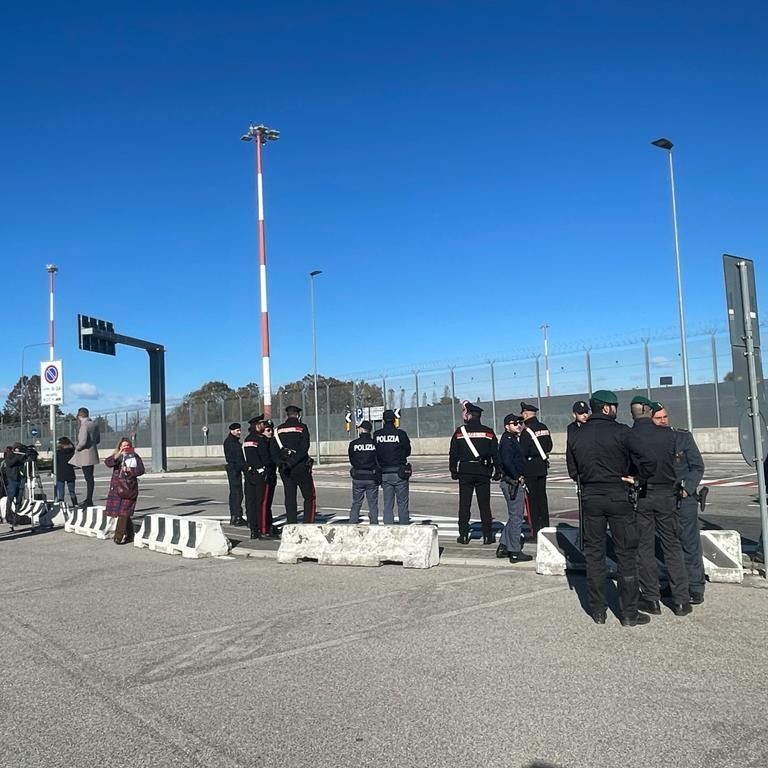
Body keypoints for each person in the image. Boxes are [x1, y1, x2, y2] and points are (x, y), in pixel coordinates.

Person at [566, 390, 656, 626]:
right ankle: (629, 613)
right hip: (618, 495)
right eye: (614, 405)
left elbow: (573, 470)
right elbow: (649, 461)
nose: (616, 409)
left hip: (590, 497)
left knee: (594, 555)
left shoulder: (576, 434)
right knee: (626, 554)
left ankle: (598, 610)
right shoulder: (622, 431)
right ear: (606, 408)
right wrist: (637, 478)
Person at [631, 399, 692, 616]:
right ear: (649, 413)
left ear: (633, 414)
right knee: (672, 546)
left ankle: (651, 599)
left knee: (644, 548)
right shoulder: (669, 435)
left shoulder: (630, 436)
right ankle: (681, 600)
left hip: (643, 493)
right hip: (667, 494)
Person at [653, 402, 707, 605]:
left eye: (665, 417)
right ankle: (674, 583)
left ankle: (695, 586)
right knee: (668, 545)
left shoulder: (682, 437)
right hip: (662, 499)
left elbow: (697, 466)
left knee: (689, 544)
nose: (663, 421)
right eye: (658, 418)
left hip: (683, 499)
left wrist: (687, 489)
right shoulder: (649, 441)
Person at [449, 401, 498, 545]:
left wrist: (453, 469)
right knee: (485, 505)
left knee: (464, 505)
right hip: (483, 471)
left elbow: (453, 453)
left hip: (465, 471)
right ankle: (488, 536)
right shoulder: (488, 432)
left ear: (469, 415)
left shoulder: (460, 432)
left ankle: (463, 535)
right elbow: (495, 453)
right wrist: (498, 470)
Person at [271, 405, 316, 525]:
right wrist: (293, 461)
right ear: (298, 415)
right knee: (309, 496)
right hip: (300, 466)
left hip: (285, 468)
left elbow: (273, 450)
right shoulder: (302, 427)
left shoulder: (278, 430)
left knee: (290, 497)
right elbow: (304, 447)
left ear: (287, 415)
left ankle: (291, 523)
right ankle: (308, 523)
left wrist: (280, 463)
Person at [496, 414, 532, 562]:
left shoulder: (511, 439)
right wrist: (517, 476)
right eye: (515, 423)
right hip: (512, 482)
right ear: (507, 426)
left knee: (514, 515)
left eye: (520, 423)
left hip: (512, 481)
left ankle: (504, 545)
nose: (518, 425)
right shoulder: (507, 441)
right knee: (517, 517)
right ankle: (515, 551)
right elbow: (507, 461)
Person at [518, 401, 553, 538]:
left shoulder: (526, 431)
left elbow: (523, 452)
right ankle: (545, 527)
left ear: (526, 414)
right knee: (542, 498)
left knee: (532, 501)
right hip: (542, 466)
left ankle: (535, 531)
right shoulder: (544, 427)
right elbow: (549, 446)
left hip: (530, 468)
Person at [373, 409, 412, 525]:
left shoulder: (377, 435)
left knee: (388, 504)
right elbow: (408, 451)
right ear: (394, 420)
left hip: (384, 473)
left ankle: (388, 526)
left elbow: (375, 454)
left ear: (383, 420)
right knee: (402, 503)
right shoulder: (401, 434)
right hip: (400, 472)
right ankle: (404, 526)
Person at [104, 437, 145, 545]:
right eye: (123, 446)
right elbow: (108, 463)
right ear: (120, 447)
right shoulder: (117, 457)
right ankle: (130, 535)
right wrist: (118, 454)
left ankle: (118, 536)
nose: (125, 447)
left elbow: (141, 470)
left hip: (129, 488)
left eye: (127, 445)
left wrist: (130, 470)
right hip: (117, 488)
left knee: (124, 512)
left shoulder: (135, 456)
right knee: (123, 513)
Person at [243, 415, 276, 538]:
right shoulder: (260, 439)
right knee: (262, 503)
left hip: (250, 474)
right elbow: (265, 458)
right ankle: (263, 530)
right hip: (261, 475)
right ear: (257, 425)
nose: (264, 425)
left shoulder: (247, 439)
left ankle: (254, 530)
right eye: (262, 423)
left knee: (251, 503)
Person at [348, 420, 380, 524]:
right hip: (371, 476)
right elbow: (378, 459)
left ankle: (352, 522)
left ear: (362, 429)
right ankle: (374, 523)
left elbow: (352, 459)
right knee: (373, 504)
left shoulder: (353, 444)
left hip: (358, 476)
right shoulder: (375, 443)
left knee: (356, 503)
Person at [70, 407, 101, 509]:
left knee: (88, 477)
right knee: (90, 478)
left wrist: (76, 448)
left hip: (85, 455)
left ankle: (88, 500)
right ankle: (89, 498)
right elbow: (98, 440)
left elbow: (82, 442)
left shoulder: (84, 426)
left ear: (79, 416)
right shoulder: (94, 424)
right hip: (92, 453)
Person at [223, 422, 246, 526]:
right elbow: (237, 458)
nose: (239, 432)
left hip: (234, 469)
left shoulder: (232, 441)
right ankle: (237, 517)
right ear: (232, 431)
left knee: (235, 494)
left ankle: (235, 516)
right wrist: (245, 467)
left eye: (240, 430)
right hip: (234, 470)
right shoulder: (231, 442)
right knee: (237, 494)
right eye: (237, 430)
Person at [3, 444, 26, 526]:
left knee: (19, 498)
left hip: (20, 479)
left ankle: (17, 515)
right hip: (12, 479)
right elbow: (10, 463)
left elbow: (23, 463)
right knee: (11, 497)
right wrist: (17, 456)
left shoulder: (20, 456)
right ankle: (8, 514)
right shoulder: (10, 455)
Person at [55, 436, 77, 508]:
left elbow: (55, 463)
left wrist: (52, 472)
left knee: (61, 492)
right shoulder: (72, 451)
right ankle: (75, 504)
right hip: (70, 473)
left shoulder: (58, 452)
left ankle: (61, 506)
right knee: (72, 491)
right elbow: (74, 463)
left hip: (60, 473)